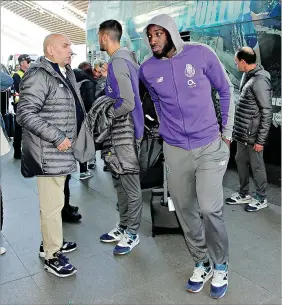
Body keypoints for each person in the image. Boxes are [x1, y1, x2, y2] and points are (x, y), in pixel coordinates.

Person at [139, 14, 234, 299]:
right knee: (185, 208)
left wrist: (226, 135)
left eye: (158, 33)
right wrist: (166, 129)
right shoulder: (147, 68)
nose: (153, 40)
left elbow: (225, 89)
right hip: (176, 149)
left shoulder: (201, 54)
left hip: (209, 145)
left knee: (208, 208)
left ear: (170, 32)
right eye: (150, 35)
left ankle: (221, 264)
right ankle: (201, 261)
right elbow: (155, 101)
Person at [16, 33, 86, 277]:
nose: (71, 50)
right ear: (50, 50)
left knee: (56, 204)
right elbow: (24, 113)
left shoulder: (65, 73)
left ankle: (50, 242)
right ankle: (52, 256)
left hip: (62, 152)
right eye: (65, 45)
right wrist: (58, 137)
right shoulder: (39, 75)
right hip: (49, 152)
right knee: (51, 205)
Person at [97, 20, 144, 255]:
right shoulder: (127, 59)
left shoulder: (118, 61)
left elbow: (127, 102)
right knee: (121, 183)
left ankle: (132, 233)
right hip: (123, 132)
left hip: (124, 132)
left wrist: (107, 117)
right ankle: (125, 225)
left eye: (99, 37)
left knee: (130, 185)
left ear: (105, 37)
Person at [226, 47, 273, 212]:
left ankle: (261, 198)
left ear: (243, 62)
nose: (235, 64)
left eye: (236, 61)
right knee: (240, 160)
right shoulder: (247, 75)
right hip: (242, 133)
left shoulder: (260, 81)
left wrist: (260, 140)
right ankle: (244, 193)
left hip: (253, 136)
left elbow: (267, 112)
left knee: (257, 166)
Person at [12, 54, 31, 159]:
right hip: (21, 105)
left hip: (30, 104)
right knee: (19, 129)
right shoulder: (17, 75)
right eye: (28, 62)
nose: (30, 63)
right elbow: (21, 89)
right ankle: (17, 151)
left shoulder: (29, 73)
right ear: (23, 63)